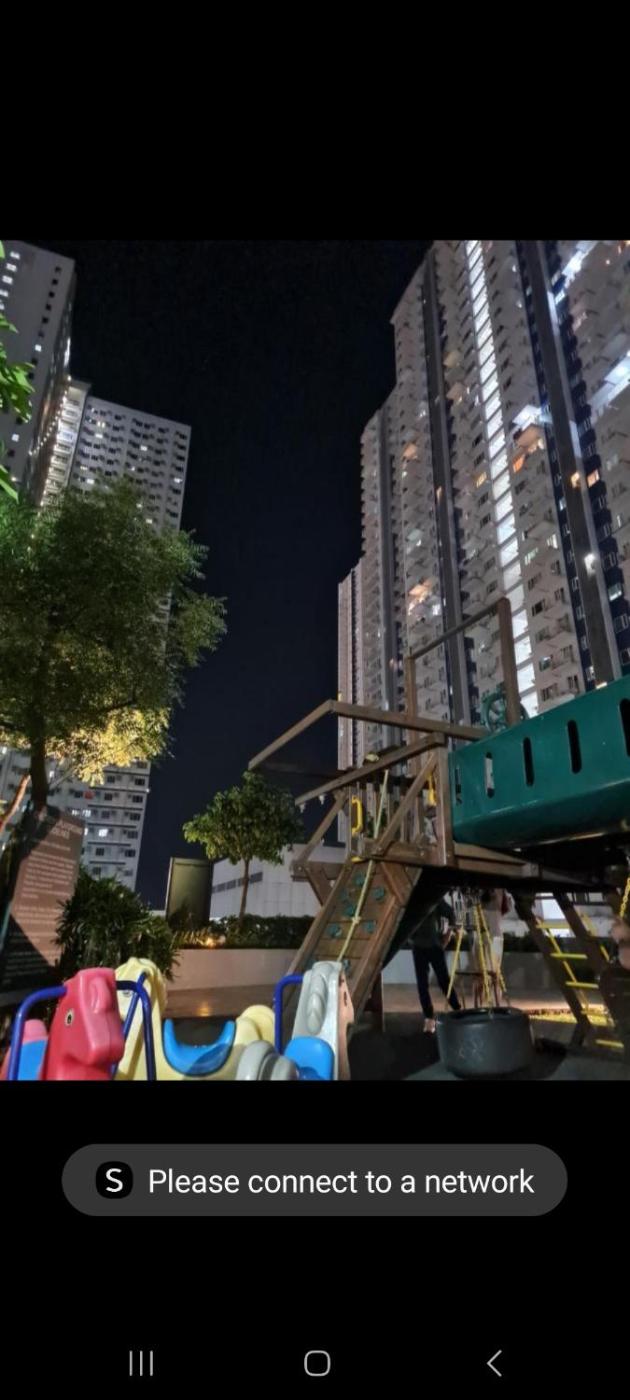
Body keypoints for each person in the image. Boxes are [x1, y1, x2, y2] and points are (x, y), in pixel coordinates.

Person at [409, 895, 461, 1032]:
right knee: (422, 984)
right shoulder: (412, 898)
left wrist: (447, 936)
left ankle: (457, 1009)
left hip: (434, 946)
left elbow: (450, 913)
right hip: (418, 947)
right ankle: (428, 1018)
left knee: (444, 980)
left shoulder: (434, 897)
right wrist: (410, 938)